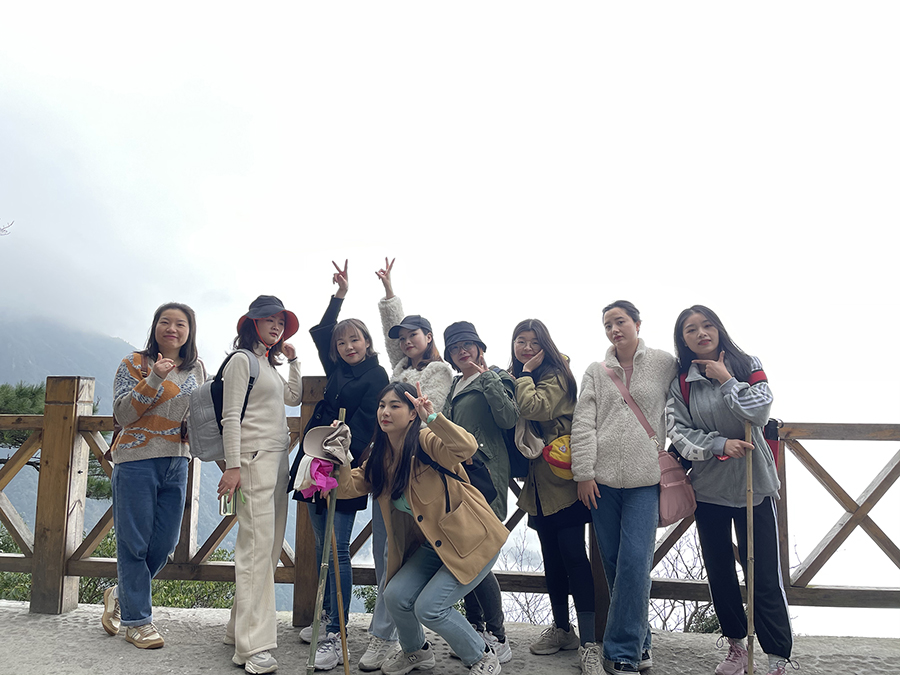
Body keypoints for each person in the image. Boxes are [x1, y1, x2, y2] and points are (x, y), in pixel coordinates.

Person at [334, 382, 510, 675]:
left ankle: (481, 656)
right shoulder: (381, 457)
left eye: (395, 406)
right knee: (395, 595)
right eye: (382, 405)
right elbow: (346, 488)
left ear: (412, 413)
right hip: (435, 546)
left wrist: (433, 417)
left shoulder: (426, 440)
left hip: (473, 541)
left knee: (430, 607)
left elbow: (466, 447)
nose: (385, 412)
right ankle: (416, 652)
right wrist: (340, 455)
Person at [666, 306, 792, 675]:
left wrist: (726, 380)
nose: (701, 333)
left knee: (764, 575)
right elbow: (679, 432)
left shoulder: (747, 364)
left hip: (756, 485)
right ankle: (737, 647)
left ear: (719, 328)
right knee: (719, 572)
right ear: (683, 339)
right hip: (709, 489)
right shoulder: (682, 382)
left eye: (707, 325)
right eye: (691, 329)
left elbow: (760, 411)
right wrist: (720, 444)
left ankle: (777, 657)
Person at [348, 257, 453, 670]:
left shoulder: (439, 370)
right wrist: (389, 292)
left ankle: (387, 636)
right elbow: (394, 340)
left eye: (415, 335)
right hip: (388, 465)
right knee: (385, 551)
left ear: (430, 337)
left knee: (402, 554)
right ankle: (392, 636)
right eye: (403, 337)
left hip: (417, 473)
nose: (407, 341)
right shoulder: (402, 367)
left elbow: (426, 417)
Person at [289, 260, 389, 671]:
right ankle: (328, 617)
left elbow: (367, 424)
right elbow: (321, 332)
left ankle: (336, 632)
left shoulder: (376, 374)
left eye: (355, 339)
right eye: (343, 342)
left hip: (341, 463)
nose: (349, 346)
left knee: (338, 548)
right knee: (322, 545)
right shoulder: (338, 369)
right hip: (313, 458)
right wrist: (340, 296)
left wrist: (340, 456)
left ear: (367, 342)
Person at [570, 300, 676, 675]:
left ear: (637, 324)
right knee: (616, 565)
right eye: (608, 325)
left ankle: (621, 652)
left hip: (645, 481)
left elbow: (686, 398)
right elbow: (583, 423)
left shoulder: (663, 363)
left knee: (634, 562)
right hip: (601, 483)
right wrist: (583, 473)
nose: (614, 330)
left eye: (620, 322)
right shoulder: (596, 371)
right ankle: (641, 643)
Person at [104, 302, 204, 649]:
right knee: (133, 542)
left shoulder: (196, 368)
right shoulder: (134, 363)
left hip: (177, 460)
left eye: (180, 324)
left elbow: (198, 411)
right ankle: (137, 622)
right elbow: (123, 414)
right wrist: (155, 378)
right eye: (165, 322)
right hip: (136, 460)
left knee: (165, 544)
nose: (172, 329)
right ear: (155, 326)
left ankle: (121, 593)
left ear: (189, 331)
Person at [217, 295, 302, 674]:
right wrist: (232, 466)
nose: (276, 326)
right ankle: (254, 648)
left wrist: (294, 361)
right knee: (255, 548)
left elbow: (292, 396)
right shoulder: (242, 361)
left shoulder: (266, 362)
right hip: (251, 461)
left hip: (276, 460)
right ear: (252, 323)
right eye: (269, 320)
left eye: (280, 322)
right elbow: (230, 416)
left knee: (265, 548)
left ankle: (238, 630)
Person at [509, 319, 599, 673]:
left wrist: (524, 374)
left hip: (565, 481)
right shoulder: (521, 375)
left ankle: (589, 641)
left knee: (574, 556)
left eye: (534, 342)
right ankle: (562, 629)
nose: (527, 348)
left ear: (545, 345)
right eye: (521, 341)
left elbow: (535, 408)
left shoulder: (556, 374)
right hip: (538, 485)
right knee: (552, 558)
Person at [441, 321, 518, 663]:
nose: (462, 351)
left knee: (480, 557)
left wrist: (486, 378)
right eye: (455, 348)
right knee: (465, 552)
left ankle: (498, 635)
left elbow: (508, 418)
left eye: (467, 345)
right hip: (458, 478)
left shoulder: (497, 377)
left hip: (486, 476)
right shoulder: (454, 385)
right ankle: (474, 628)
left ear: (479, 347)